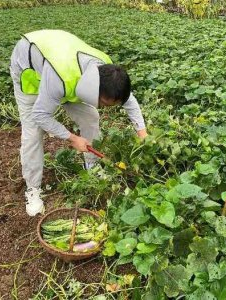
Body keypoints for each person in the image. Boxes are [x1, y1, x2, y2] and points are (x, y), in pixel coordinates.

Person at [9, 29, 147, 217]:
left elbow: (129, 100)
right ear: (93, 92)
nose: (107, 108)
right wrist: (71, 137)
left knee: (90, 116)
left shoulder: (107, 73)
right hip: (29, 65)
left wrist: (142, 132)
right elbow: (40, 115)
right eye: (105, 104)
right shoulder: (61, 79)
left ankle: (92, 167)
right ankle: (32, 189)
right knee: (34, 131)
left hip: (61, 66)